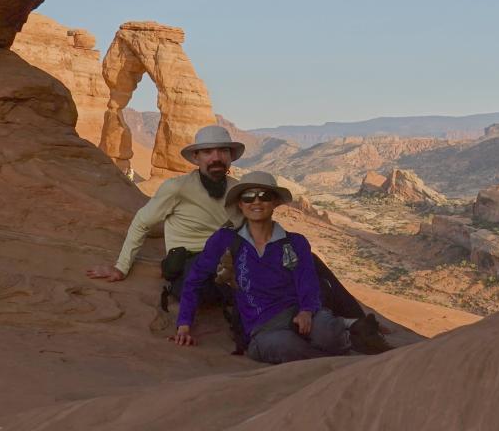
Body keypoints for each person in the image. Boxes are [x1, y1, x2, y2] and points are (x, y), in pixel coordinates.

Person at [172, 171, 351, 364]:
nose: (256, 202)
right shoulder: (225, 240)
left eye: (264, 196)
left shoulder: (295, 242)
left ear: (274, 203)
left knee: (327, 333)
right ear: (240, 204)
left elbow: (307, 281)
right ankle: (340, 364)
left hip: (297, 312)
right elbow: (195, 278)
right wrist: (184, 325)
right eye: (248, 197)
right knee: (284, 346)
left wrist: (306, 310)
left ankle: (350, 339)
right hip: (262, 327)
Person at [86, 125, 244, 305]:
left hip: (228, 259)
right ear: (196, 157)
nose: (216, 158)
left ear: (231, 156)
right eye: (207, 152)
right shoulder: (177, 188)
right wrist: (121, 267)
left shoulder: (238, 190)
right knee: (197, 290)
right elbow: (142, 222)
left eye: (223, 151)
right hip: (191, 259)